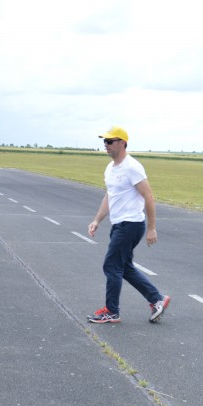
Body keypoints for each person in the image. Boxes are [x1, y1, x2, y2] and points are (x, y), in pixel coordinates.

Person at [87, 125, 170, 324]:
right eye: (104, 141)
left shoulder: (132, 167)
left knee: (111, 265)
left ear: (122, 143)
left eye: (109, 141)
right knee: (123, 267)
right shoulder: (110, 168)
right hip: (119, 224)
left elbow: (148, 197)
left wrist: (152, 227)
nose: (105, 145)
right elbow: (110, 195)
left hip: (131, 224)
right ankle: (157, 299)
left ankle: (111, 311)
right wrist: (97, 220)